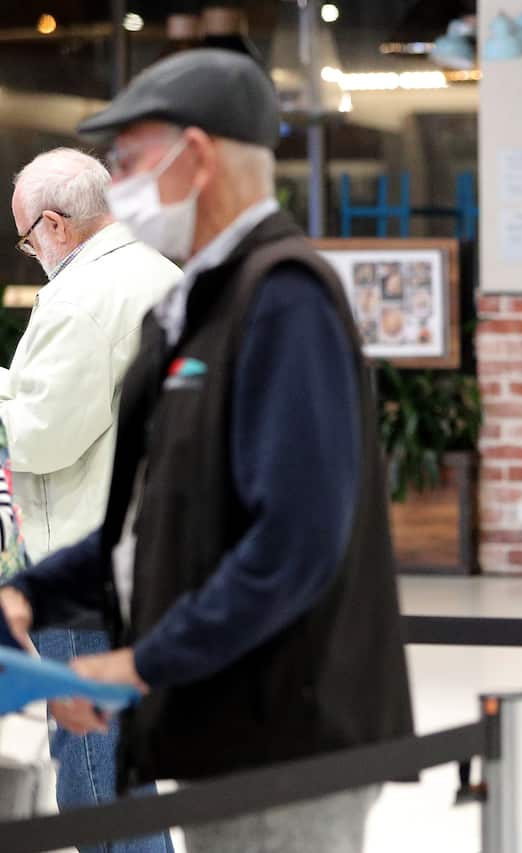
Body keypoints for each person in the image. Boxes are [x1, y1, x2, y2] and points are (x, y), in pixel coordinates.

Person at [0, 49, 413, 852]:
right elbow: (157, 513)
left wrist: (137, 664)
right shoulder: (193, 300)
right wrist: (37, 594)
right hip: (220, 710)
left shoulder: (287, 299)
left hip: (290, 721)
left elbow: (292, 545)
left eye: (129, 160)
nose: (116, 189)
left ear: (194, 156)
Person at [9, 148, 179, 853]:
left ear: (54, 225)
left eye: (27, 240)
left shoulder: (82, 298)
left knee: (93, 777)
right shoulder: (159, 272)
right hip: (148, 552)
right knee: (124, 767)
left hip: (83, 569)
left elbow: (40, 438)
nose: (31, 254)